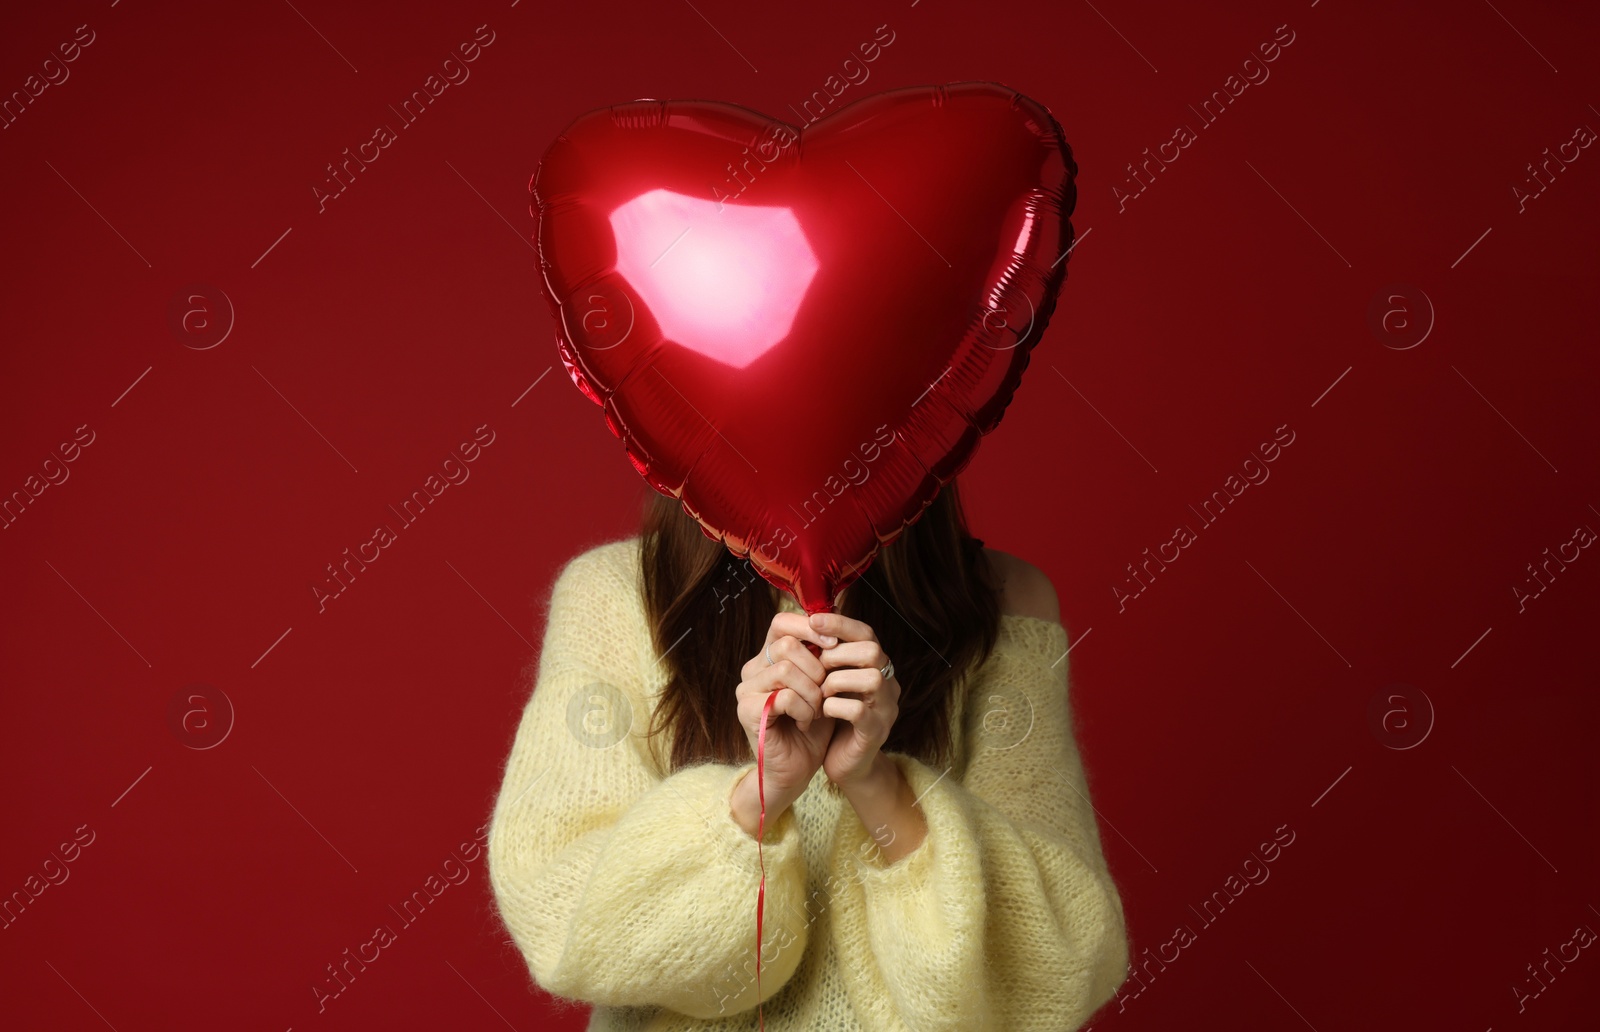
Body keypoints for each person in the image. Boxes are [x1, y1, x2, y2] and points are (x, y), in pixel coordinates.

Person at [487, 481, 1130, 1030]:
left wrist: (876, 785)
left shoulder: (1002, 599)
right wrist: (759, 798)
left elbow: (1059, 961)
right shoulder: (615, 594)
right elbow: (559, 908)